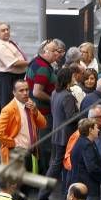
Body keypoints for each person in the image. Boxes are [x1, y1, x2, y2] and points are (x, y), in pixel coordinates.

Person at [38, 68, 78, 200]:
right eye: (73, 76)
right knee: (58, 165)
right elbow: (71, 117)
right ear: (67, 79)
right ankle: (44, 192)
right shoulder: (68, 96)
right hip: (65, 135)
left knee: (54, 163)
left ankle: (44, 191)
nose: (75, 78)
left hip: (57, 132)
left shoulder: (55, 92)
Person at [0, 80, 47, 166]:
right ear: (14, 92)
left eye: (27, 90)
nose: (25, 93)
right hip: (17, 154)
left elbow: (43, 124)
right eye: (21, 90)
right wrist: (13, 144)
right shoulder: (9, 110)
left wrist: (35, 111)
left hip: (31, 153)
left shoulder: (30, 103)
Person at [26, 40, 62, 173]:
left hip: (36, 110)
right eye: (53, 51)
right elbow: (37, 91)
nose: (56, 54)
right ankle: (45, 172)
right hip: (43, 112)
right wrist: (54, 100)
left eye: (57, 51)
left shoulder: (36, 62)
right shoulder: (43, 68)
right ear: (44, 52)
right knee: (45, 144)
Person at [67, 118, 101, 200]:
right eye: (96, 128)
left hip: (81, 186)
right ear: (90, 129)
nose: (98, 130)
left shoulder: (82, 142)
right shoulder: (87, 145)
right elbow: (92, 167)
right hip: (88, 189)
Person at [64, 106, 101, 176]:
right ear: (91, 119)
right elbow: (68, 158)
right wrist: (82, 172)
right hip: (90, 173)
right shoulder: (78, 135)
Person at [0, 21, 29, 110]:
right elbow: (14, 63)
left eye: (7, 29)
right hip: (7, 77)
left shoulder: (7, 41)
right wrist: (30, 63)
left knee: (17, 101)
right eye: (3, 30)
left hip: (15, 75)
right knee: (8, 103)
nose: (6, 32)